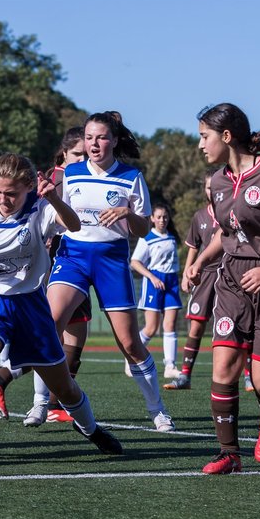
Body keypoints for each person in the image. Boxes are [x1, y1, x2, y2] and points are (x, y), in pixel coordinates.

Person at [0, 153, 124, 464]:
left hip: (30, 304)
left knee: (65, 389)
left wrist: (54, 198)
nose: (3, 199)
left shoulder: (40, 206)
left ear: (29, 186)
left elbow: (73, 225)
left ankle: (92, 430)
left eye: (11, 193)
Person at [185, 104, 260, 472]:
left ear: (226, 137)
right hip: (232, 279)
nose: (200, 145)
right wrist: (199, 262)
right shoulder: (219, 182)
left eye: (204, 137)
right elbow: (228, 232)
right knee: (223, 369)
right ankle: (229, 454)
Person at [39, 111, 176, 433]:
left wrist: (128, 213)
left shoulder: (131, 177)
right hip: (73, 255)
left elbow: (142, 230)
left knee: (129, 343)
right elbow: (61, 218)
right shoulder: (71, 173)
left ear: (114, 140)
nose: (94, 144)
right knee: (50, 323)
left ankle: (158, 410)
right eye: (89, 138)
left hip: (112, 259)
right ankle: (41, 402)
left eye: (101, 137)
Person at [0, 128, 91, 422]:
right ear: (63, 154)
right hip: (60, 265)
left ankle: (57, 405)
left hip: (84, 261)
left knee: (75, 339)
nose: (83, 158)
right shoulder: (54, 179)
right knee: (48, 333)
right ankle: (35, 399)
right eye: (77, 154)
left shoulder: (91, 176)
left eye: (85, 154)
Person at [165, 171, 253, 393]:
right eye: (207, 188)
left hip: (231, 274)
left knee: (239, 327)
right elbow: (193, 247)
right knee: (196, 326)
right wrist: (187, 273)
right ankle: (185, 375)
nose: (211, 191)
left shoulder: (233, 211)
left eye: (214, 187)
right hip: (205, 276)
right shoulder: (199, 217)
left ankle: (248, 377)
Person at [131, 204, 182, 380]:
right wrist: (152, 277)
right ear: (152, 218)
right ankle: (130, 356)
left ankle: (170, 366)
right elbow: (135, 262)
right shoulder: (147, 238)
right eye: (159, 217)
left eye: (165, 217)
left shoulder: (172, 238)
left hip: (171, 281)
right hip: (154, 282)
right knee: (151, 328)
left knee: (170, 325)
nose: (162, 220)